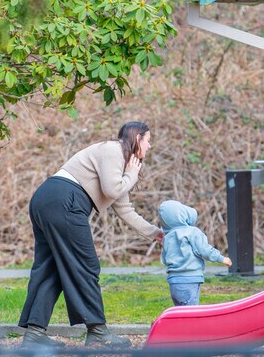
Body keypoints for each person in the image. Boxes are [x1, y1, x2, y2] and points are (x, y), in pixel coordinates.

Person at [18, 121, 164, 348]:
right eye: (148, 140)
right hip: (64, 201)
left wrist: (156, 234)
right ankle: (97, 330)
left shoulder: (120, 163)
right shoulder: (113, 150)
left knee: (53, 267)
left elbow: (124, 209)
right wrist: (133, 175)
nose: (150, 146)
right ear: (137, 139)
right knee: (87, 265)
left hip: (48, 200)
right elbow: (112, 189)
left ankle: (34, 335)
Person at [158, 200, 232, 306]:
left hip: (173, 281)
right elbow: (204, 250)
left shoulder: (167, 237)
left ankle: (177, 323)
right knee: (190, 312)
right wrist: (221, 258)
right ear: (181, 214)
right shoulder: (192, 232)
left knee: (180, 311)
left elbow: (165, 259)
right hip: (190, 279)